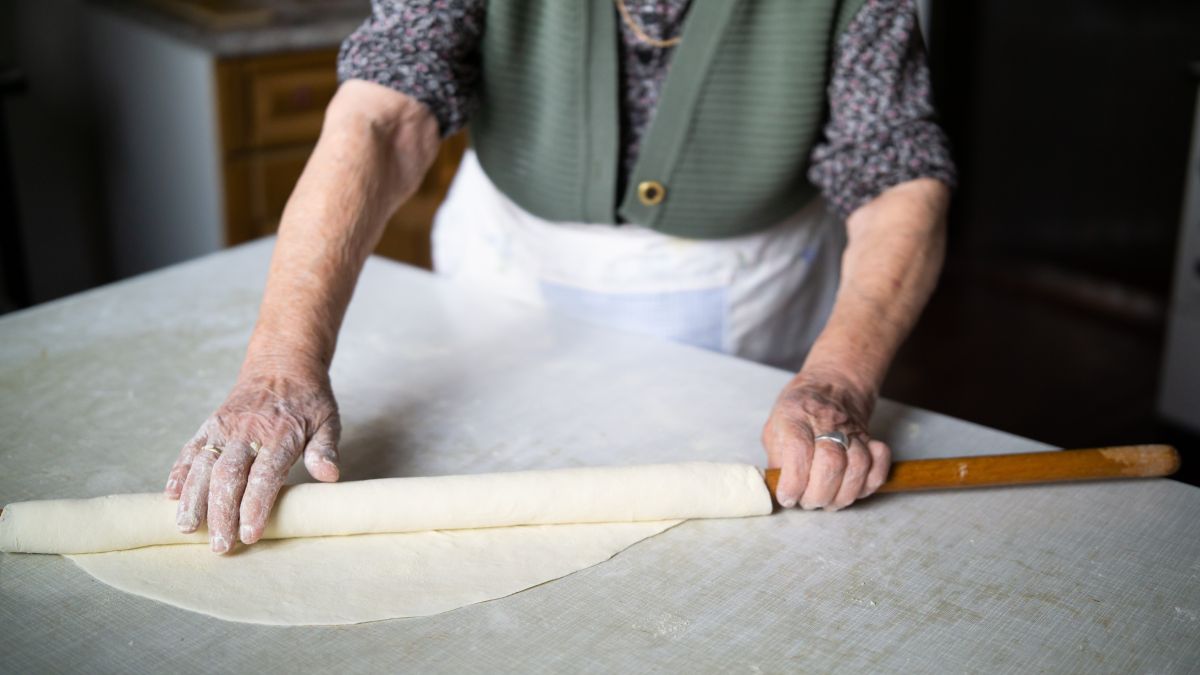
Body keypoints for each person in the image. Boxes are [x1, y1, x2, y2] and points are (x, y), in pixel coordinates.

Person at [165, 0, 955, 554]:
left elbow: (895, 178)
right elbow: (382, 116)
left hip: (745, 303)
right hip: (505, 276)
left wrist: (839, 382)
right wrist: (280, 366)